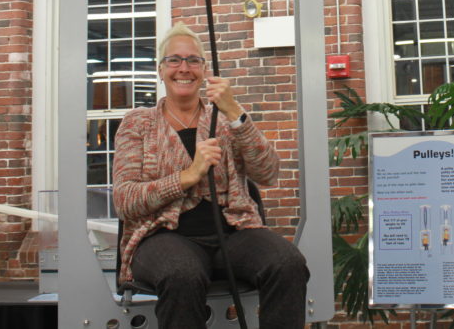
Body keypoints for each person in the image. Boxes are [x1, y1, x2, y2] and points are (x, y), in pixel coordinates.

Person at [113, 22, 309, 328]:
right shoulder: (138, 123)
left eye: (193, 60)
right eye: (174, 60)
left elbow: (269, 172)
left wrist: (235, 112)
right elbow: (125, 201)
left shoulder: (224, 119)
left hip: (232, 235)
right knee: (182, 274)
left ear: (204, 70)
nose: (184, 68)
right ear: (161, 69)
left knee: (287, 263)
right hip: (162, 237)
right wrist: (187, 177)